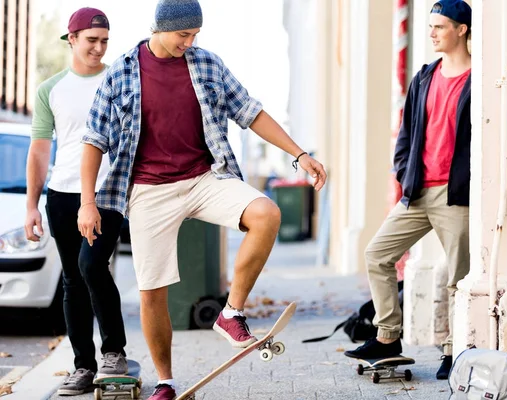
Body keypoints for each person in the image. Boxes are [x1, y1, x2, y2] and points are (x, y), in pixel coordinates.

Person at [77, 0, 327, 398]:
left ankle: (231, 313)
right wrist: (87, 202)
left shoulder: (205, 64)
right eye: (183, 35)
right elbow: (94, 140)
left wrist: (299, 154)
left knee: (266, 213)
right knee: (152, 290)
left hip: (204, 178)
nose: (189, 43)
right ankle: (166, 380)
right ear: (161, 27)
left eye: (195, 35)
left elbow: (250, 112)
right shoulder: (123, 71)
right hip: (148, 189)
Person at [343, 0, 472, 380]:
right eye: (430, 26)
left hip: (456, 194)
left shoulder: (479, 79)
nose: (431, 33)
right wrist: (403, 170)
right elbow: (406, 133)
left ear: (462, 30)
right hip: (417, 192)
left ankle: (455, 351)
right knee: (377, 255)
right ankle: (386, 338)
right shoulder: (424, 77)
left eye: (440, 26)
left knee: (457, 277)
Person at [24, 7, 128, 396]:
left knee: (92, 266)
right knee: (72, 280)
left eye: (104, 41)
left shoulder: (119, 81)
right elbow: (38, 151)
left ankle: (114, 352)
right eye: (91, 41)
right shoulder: (51, 89)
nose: (99, 48)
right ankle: (83, 366)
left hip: (107, 193)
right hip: (62, 195)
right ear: (72, 39)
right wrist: (32, 205)